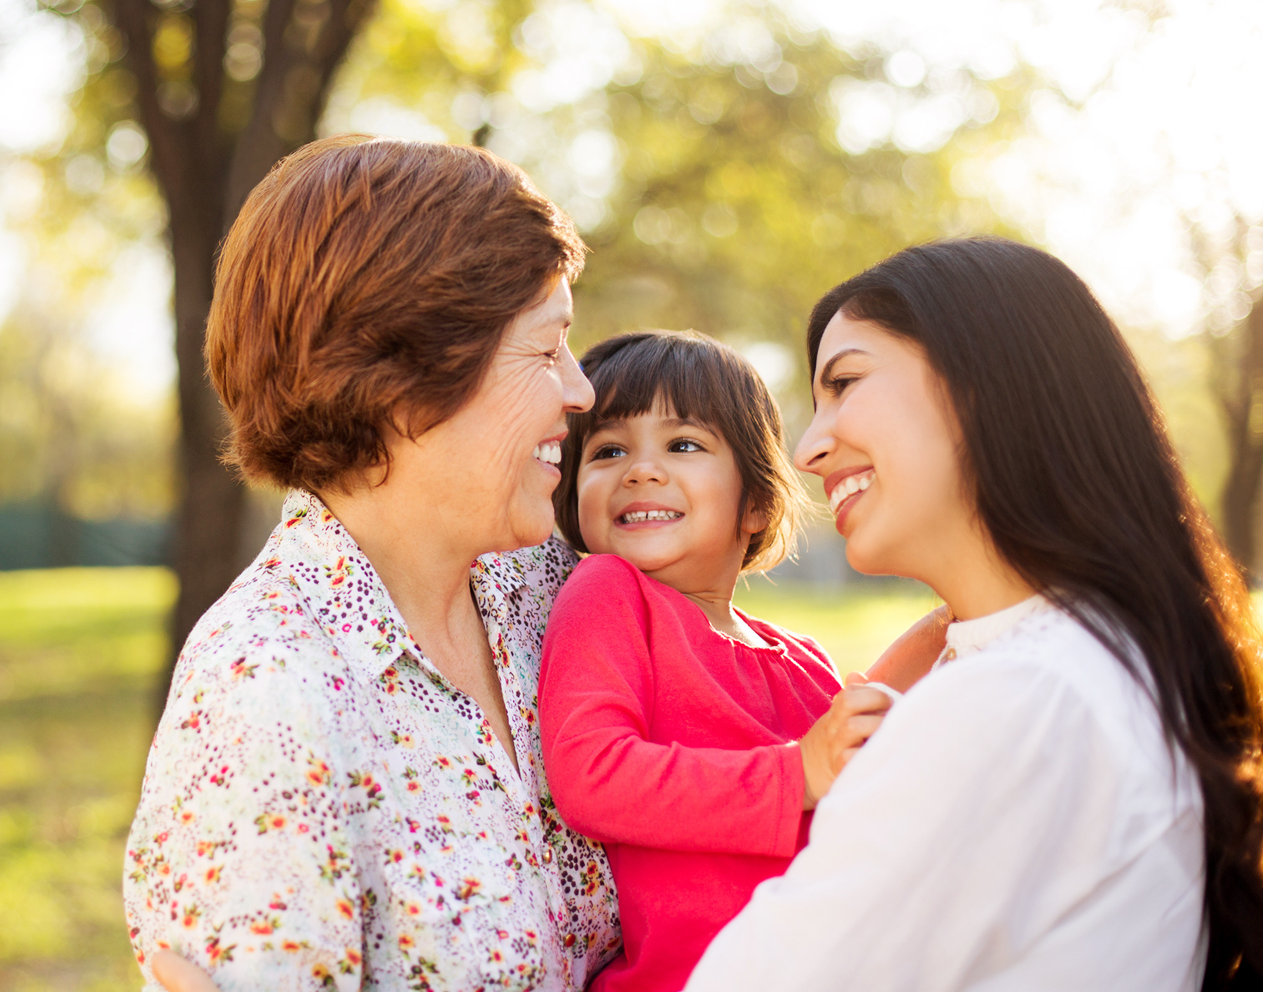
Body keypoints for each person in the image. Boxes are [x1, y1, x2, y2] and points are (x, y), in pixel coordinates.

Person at [684, 237, 1263, 990]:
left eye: (846, 383)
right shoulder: (1101, 660)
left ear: (986, 383)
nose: (808, 449)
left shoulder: (1020, 698)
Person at [122, 134, 621, 991]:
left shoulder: (550, 591)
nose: (582, 391)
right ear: (406, 377)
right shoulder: (266, 690)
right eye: (545, 351)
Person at [536, 330, 897, 990]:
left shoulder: (804, 658)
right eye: (609, 450)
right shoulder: (611, 594)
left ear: (755, 502)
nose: (640, 471)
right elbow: (592, 774)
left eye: (683, 445)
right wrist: (797, 774)